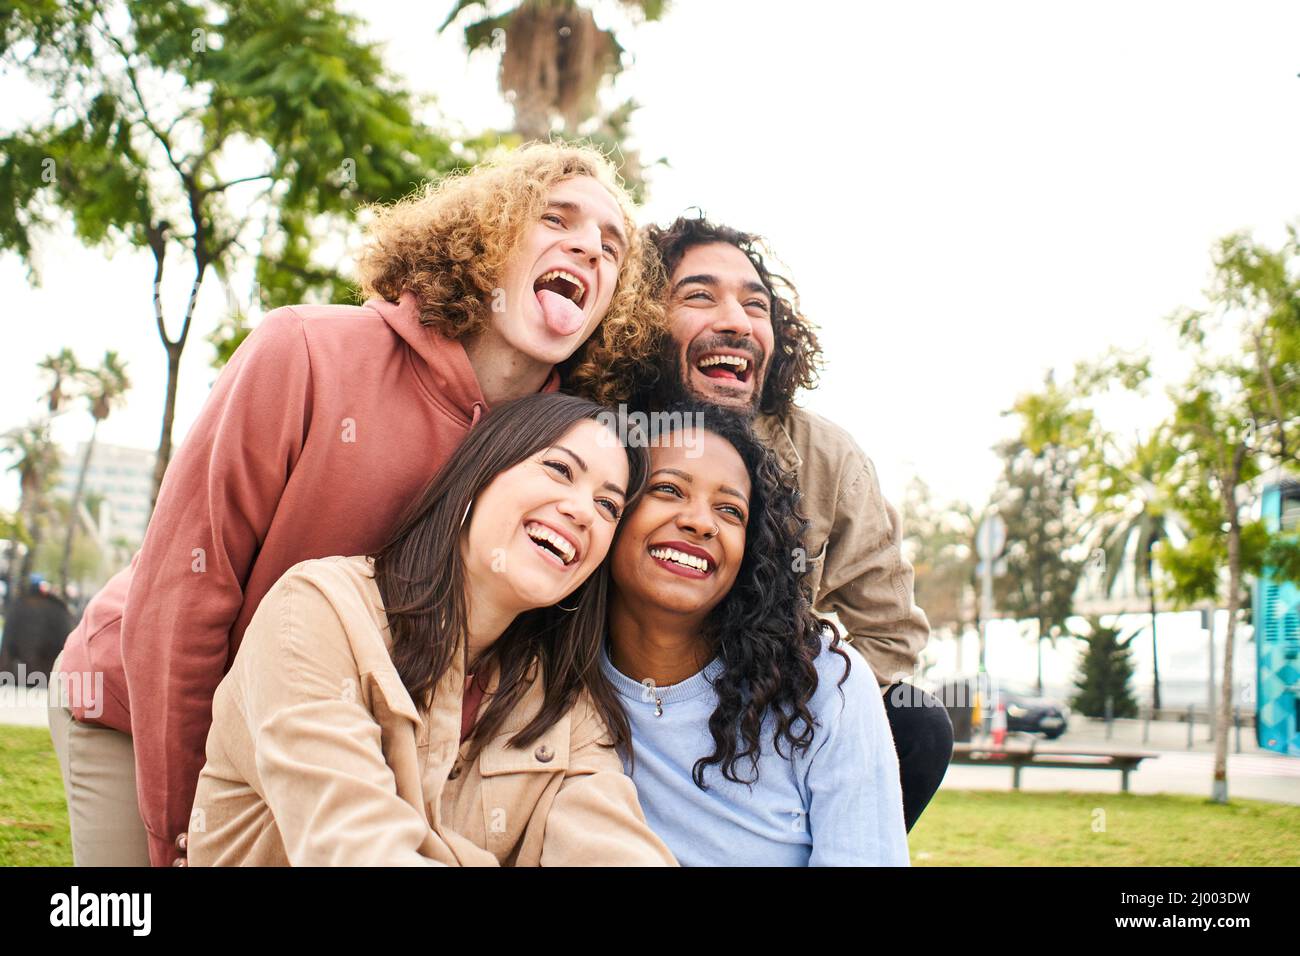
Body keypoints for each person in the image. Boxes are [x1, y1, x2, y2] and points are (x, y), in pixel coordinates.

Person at [50, 142, 664, 867]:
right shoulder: (306, 352)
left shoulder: (569, 447)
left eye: (611, 246)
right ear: (488, 235)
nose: (588, 247)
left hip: (335, 733)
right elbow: (183, 590)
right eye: (556, 218)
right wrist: (183, 829)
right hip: (144, 704)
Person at [188, 394, 675, 866]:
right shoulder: (318, 610)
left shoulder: (567, 710)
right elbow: (354, 847)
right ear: (477, 477)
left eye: (608, 506)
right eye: (560, 469)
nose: (582, 511)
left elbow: (613, 848)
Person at [625, 214, 953, 832]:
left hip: (754, 716)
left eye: (757, 305)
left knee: (917, 721)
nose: (736, 320)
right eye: (699, 295)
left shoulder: (828, 458)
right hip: (613, 710)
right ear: (637, 319)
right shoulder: (600, 426)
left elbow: (890, 632)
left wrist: (785, 705)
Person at [600, 403, 909, 865]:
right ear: (612, 510)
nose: (701, 522)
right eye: (668, 489)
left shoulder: (824, 684)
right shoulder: (552, 678)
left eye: (730, 510)